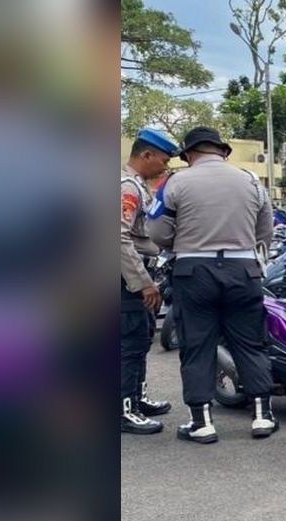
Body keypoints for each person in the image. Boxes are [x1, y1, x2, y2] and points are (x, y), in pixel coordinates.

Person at [148, 126, 276, 444]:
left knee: (197, 346)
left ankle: (201, 422)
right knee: (250, 343)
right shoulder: (250, 180)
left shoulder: (175, 183)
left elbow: (156, 231)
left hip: (194, 271)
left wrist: (184, 241)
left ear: (189, 154)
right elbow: (266, 228)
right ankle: (262, 416)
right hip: (244, 270)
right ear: (223, 151)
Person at [121, 128, 180, 434]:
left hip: (134, 275)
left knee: (142, 338)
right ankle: (123, 408)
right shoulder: (127, 187)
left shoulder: (137, 186)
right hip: (126, 279)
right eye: (164, 159)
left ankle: (136, 398)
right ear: (146, 155)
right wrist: (142, 282)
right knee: (129, 343)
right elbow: (117, 238)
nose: (166, 165)